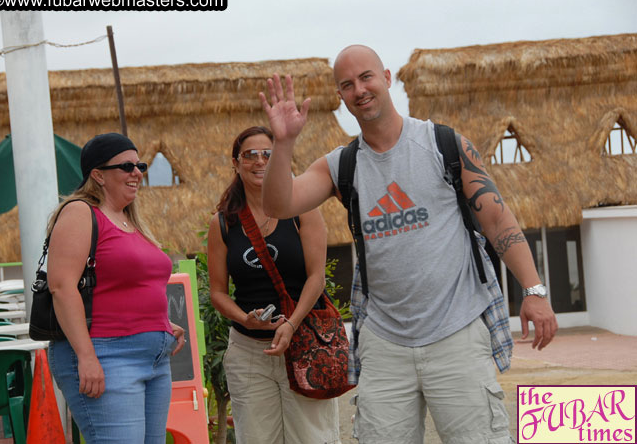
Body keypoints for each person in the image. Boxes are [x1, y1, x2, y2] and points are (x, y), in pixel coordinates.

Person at [259, 45, 558, 443]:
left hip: (457, 332)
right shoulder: (341, 165)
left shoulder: (443, 144)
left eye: (366, 77)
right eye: (347, 85)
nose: (359, 90)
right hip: (385, 345)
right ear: (340, 97)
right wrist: (283, 143)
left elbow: (497, 219)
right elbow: (279, 204)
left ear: (385, 77)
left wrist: (534, 291)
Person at [46, 133, 185, 444]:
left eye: (140, 165)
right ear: (98, 175)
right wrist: (86, 356)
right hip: (107, 355)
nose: (137, 172)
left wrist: (159, 324)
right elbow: (61, 285)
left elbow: (127, 286)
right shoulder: (80, 212)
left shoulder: (130, 221)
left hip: (155, 359)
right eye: (126, 166)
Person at [207, 126, 340, 444]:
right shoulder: (223, 223)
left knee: (312, 437)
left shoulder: (304, 209)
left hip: (304, 342)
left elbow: (316, 277)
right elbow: (218, 292)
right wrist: (244, 318)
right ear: (236, 164)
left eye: (267, 154)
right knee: (256, 438)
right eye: (249, 155)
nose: (259, 161)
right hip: (249, 351)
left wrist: (292, 324)